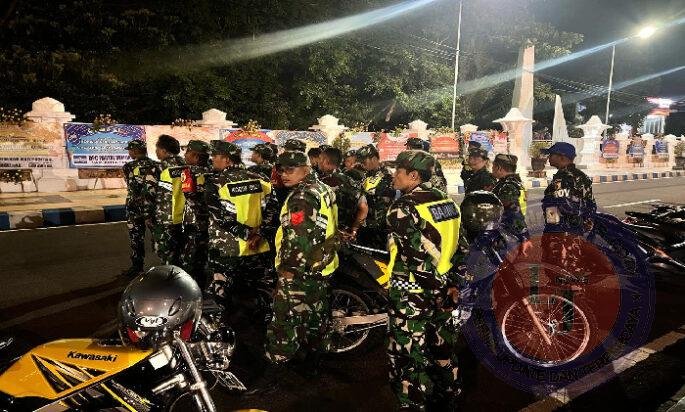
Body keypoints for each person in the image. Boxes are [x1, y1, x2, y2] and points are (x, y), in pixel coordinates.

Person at [386, 150, 462, 410]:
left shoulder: (404, 207)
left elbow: (415, 260)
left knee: (408, 354)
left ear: (413, 176)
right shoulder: (447, 202)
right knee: (442, 347)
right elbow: (461, 247)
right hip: (444, 289)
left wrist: (437, 291)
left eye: (398, 171)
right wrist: (451, 286)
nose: (393, 175)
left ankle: (414, 403)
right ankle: (450, 392)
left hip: (413, 294)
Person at [265, 150, 339, 372]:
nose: (284, 174)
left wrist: (288, 271)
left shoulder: (302, 197)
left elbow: (299, 238)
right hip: (322, 264)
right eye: (281, 170)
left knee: (284, 319)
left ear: (306, 169)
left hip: (301, 270)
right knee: (315, 315)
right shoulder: (323, 188)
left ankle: (276, 368)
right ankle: (315, 361)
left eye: (290, 169)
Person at [204, 141, 279, 323]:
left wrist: (246, 234)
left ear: (226, 159)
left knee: (222, 291)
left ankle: (223, 327)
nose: (212, 159)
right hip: (259, 247)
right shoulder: (261, 179)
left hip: (228, 249)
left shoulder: (216, 182)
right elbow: (273, 209)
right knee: (261, 289)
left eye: (215, 156)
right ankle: (264, 323)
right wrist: (259, 234)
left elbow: (220, 217)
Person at [121, 139, 159, 277]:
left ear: (135, 151)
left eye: (130, 150)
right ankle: (169, 266)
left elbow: (130, 184)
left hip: (134, 208)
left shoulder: (128, 167)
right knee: (160, 238)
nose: (129, 153)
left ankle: (137, 267)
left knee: (136, 239)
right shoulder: (156, 165)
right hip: (153, 207)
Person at [541, 142, 596, 235]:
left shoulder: (563, 178)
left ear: (562, 157)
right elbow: (591, 204)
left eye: (551, 155)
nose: (548, 158)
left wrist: (551, 230)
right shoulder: (582, 176)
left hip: (560, 233)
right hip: (575, 232)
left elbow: (555, 207)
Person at [180, 140, 212, 286]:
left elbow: (190, 197)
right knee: (206, 255)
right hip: (212, 221)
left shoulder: (188, 172)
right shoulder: (214, 171)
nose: (185, 155)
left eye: (187, 152)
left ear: (196, 156)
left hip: (194, 222)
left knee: (191, 257)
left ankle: (191, 287)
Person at [318, 146, 368, 239]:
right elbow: (363, 208)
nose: (318, 162)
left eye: (320, 159)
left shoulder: (320, 182)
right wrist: (354, 230)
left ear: (326, 161)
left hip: (325, 237)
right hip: (345, 236)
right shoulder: (349, 181)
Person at [356, 144, 397, 249]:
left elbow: (384, 206)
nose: (362, 164)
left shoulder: (386, 176)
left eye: (364, 161)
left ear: (374, 159)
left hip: (379, 229)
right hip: (366, 226)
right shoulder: (367, 174)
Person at [154, 134, 186, 266]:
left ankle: (170, 277)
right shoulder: (186, 166)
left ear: (164, 150)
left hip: (166, 217)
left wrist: (147, 216)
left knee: (166, 252)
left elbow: (150, 193)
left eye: (157, 148)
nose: (156, 151)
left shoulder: (159, 168)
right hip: (184, 217)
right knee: (181, 251)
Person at [491, 153, 530, 242]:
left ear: (499, 168)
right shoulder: (515, 182)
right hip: (510, 231)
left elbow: (514, 212)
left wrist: (523, 235)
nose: (492, 169)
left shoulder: (508, 186)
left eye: (493, 166)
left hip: (508, 233)